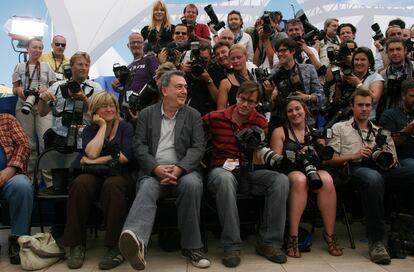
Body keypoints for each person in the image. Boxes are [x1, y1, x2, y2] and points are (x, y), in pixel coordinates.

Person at [119, 70, 210, 270]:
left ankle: (193, 247)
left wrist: (179, 169)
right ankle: (136, 243)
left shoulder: (193, 115)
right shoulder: (147, 114)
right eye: (179, 87)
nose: (184, 91)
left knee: (192, 185)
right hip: (154, 171)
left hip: (184, 171)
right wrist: (156, 168)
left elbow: (198, 148)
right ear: (164, 90)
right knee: (147, 189)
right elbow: (139, 146)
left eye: (185, 87)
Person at [203, 80, 289, 267]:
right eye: (243, 99)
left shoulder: (259, 120)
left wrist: (256, 149)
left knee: (280, 180)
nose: (245, 105)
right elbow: (193, 132)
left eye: (251, 101)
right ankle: (231, 245)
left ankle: (270, 243)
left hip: (247, 171)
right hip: (220, 171)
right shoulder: (216, 117)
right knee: (225, 179)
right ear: (236, 96)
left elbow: (260, 155)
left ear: (257, 103)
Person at [327, 89, 414, 264]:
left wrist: (386, 159)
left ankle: (407, 233)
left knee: (410, 172)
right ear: (352, 107)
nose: (364, 109)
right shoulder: (339, 128)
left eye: (368, 105)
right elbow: (331, 160)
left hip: (382, 171)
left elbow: (394, 161)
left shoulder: (381, 131)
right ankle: (377, 241)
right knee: (373, 178)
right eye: (360, 105)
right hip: (354, 170)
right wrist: (355, 155)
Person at [62, 92, 135, 270]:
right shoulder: (90, 130)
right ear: (95, 110)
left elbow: (124, 157)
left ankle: (115, 247)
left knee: (112, 186)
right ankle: (76, 244)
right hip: (97, 175)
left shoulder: (126, 128)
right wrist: (102, 127)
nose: (109, 109)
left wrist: (92, 161)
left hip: (121, 175)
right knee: (80, 184)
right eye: (104, 106)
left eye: (112, 105)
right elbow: (93, 151)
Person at [270, 97, 342, 258]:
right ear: (285, 114)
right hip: (290, 170)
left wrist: (315, 152)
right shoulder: (280, 132)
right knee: (300, 180)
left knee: (328, 180)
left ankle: (330, 235)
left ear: (305, 110)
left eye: (297, 109)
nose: (294, 113)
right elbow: (275, 161)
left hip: (313, 169)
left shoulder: (316, 132)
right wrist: (296, 155)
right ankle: (293, 237)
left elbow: (325, 158)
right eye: (290, 110)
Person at [38, 51, 103, 193]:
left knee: (83, 187)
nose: (84, 68)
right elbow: (42, 112)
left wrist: (84, 99)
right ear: (71, 66)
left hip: (85, 142)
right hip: (59, 142)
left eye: (87, 65)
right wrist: (43, 99)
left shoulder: (96, 88)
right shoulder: (57, 87)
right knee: (59, 188)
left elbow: (101, 116)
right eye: (80, 64)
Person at [12, 37, 56, 180]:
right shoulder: (19, 66)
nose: (37, 50)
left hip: (42, 105)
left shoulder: (46, 66)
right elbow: (14, 88)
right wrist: (19, 90)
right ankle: (31, 179)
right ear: (27, 49)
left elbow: (54, 87)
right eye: (34, 47)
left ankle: (49, 181)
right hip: (25, 105)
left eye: (40, 48)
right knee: (28, 143)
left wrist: (46, 88)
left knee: (45, 142)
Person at [0, 113, 32, 265]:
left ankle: (18, 240)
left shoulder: (7, 119)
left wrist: (10, 170)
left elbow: (24, 145)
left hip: (10, 175)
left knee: (22, 186)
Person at [112, 33, 159, 122]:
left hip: (146, 111)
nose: (136, 45)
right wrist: (116, 85)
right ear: (128, 46)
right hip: (128, 111)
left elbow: (158, 81)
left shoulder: (150, 59)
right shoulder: (128, 67)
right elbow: (125, 88)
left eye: (139, 42)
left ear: (144, 44)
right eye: (133, 42)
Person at [376, 38, 414, 119]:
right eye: (391, 50)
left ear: (405, 51)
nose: (395, 53)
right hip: (392, 118)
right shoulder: (382, 74)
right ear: (387, 53)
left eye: (398, 49)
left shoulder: (413, 68)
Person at [342, 47, 383, 121]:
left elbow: (374, 99)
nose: (359, 63)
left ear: (369, 62)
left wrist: (358, 84)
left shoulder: (375, 77)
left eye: (363, 60)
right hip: (345, 120)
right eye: (356, 60)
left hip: (368, 121)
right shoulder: (348, 76)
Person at [379, 79, 414, 161]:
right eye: (412, 96)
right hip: (402, 160)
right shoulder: (390, 115)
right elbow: (386, 144)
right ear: (403, 96)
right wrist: (408, 131)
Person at [217, 44, 255, 109]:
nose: (236, 61)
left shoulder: (255, 77)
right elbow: (220, 110)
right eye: (232, 59)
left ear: (246, 57)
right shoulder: (225, 83)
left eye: (239, 57)